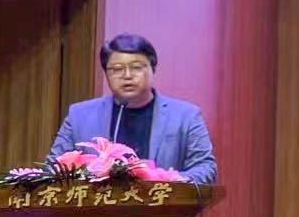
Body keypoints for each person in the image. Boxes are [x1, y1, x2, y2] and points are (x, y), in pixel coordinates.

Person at [47, 34, 219, 185]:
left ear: (153, 69)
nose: (127, 75)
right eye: (117, 69)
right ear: (106, 73)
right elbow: (53, 168)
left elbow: (205, 168)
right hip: (97, 210)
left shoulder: (186, 116)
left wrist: (169, 180)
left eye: (136, 67)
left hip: (162, 210)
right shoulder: (79, 115)